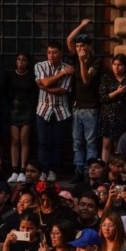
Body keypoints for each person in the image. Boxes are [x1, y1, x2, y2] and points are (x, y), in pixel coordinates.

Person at [67, 21, 103, 184]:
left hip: (90, 107)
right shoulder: (76, 56)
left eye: (83, 45)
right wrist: (82, 26)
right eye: (78, 45)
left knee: (90, 142)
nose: (79, 48)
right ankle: (78, 170)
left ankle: (91, 172)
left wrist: (82, 62)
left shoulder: (95, 60)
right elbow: (69, 39)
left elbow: (86, 79)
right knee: (77, 141)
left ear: (89, 47)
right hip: (77, 106)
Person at [34, 41, 74, 182]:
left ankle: (53, 170)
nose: (51, 55)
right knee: (43, 142)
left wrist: (45, 87)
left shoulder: (69, 68)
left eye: (55, 52)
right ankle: (43, 170)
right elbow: (45, 82)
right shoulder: (40, 65)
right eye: (49, 52)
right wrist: (61, 74)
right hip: (43, 110)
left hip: (61, 111)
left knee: (57, 142)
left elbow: (62, 90)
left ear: (61, 53)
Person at [5, 52, 37, 183]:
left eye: (24, 60)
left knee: (24, 139)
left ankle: (23, 170)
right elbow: (7, 92)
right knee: (14, 140)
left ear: (28, 62)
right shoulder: (11, 75)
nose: (21, 62)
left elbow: (34, 93)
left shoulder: (31, 76)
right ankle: (14, 170)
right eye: (19, 59)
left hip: (27, 109)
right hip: (14, 109)